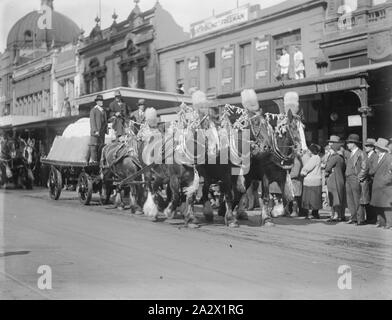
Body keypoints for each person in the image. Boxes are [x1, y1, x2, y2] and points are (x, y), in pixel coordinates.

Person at [345, 134, 367, 226]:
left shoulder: (361, 153)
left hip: (355, 178)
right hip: (348, 178)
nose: (347, 145)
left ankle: (360, 219)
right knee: (350, 199)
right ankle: (353, 217)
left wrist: (359, 177)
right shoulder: (351, 153)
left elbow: (365, 167)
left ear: (354, 144)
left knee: (357, 199)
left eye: (349, 143)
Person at [370, 138, 392, 229]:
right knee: (377, 204)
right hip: (376, 184)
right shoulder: (376, 157)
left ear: (381, 148)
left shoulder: (389, 157)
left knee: (386, 205)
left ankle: (389, 223)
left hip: (385, 185)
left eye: (377, 147)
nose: (375, 149)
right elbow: (373, 169)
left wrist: (385, 180)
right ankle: (381, 222)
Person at [325, 141, 346, 222]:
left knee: (334, 198)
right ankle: (340, 215)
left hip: (333, 179)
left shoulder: (334, 157)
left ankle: (335, 215)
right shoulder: (341, 157)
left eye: (330, 149)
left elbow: (327, 168)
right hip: (340, 178)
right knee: (339, 197)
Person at [301, 144, 323, 219]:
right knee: (315, 198)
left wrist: (302, 172)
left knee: (310, 198)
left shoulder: (314, 158)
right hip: (316, 180)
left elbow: (307, 167)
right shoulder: (318, 157)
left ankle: (311, 214)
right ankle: (315, 213)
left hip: (311, 181)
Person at [89, 94, 108, 165]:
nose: (101, 102)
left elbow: (105, 121)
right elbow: (92, 121)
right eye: (100, 101)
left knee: (101, 147)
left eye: (102, 101)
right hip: (96, 133)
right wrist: (95, 131)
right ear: (97, 102)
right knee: (94, 146)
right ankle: (94, 160)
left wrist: (106, 129)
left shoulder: (103, 111)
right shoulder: (93, 110)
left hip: (102, 132)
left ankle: (100, 160)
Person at [364, 138, 378, 224]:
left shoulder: (374, 156)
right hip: (367, 180)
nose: (366, 147)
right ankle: (369, 217)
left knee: (371, 199)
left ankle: (373, 218)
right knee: (367, 198)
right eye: (366, 145)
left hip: (371, 180)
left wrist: (366, 173)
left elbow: (374, 169)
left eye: (368, 146)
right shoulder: (367, 155)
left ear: (372, 147)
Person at [288, 153, 303, 217]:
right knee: (294, 198)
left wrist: (288, 176)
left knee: (295, 198)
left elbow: (295, 173)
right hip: (294, 182)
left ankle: (294, 211)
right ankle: (294, 211)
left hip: (295, 182)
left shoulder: (296, 162)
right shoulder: (295, 161)